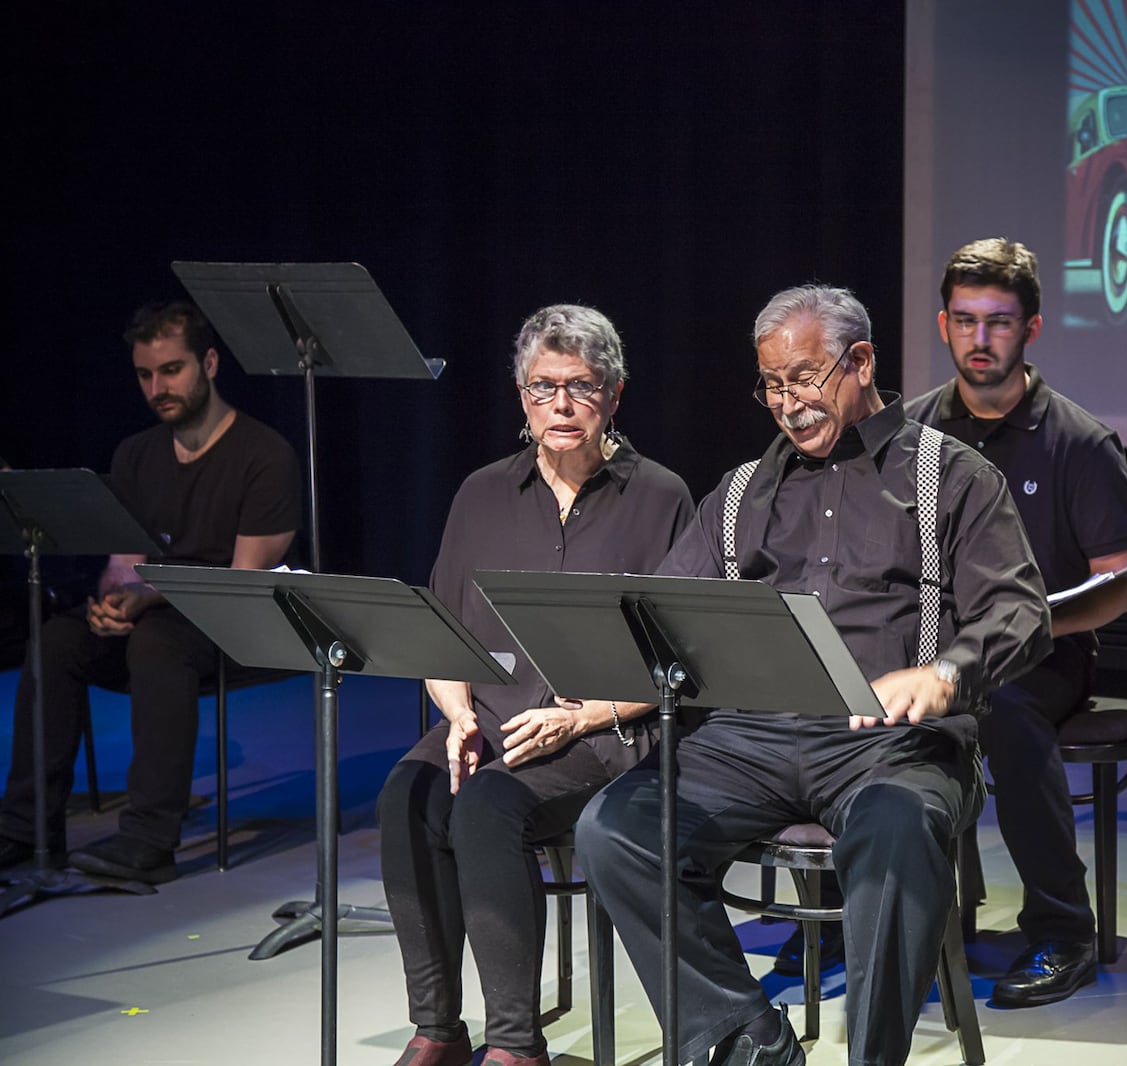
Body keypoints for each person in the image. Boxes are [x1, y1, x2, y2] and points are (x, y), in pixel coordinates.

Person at [576, 285, 1052, 1066]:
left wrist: (946, 672)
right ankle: (753, 1046)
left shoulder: (952, 476)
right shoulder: (736, 494)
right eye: (771, 384)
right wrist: (603, 671)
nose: (787, 403)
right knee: (616, 828)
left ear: (861, 361)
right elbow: (666, 616)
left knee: (898, 829)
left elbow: (1021, 612)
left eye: (804, 378)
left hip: (893, 743)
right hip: (748, 740)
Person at [377, 305, 694, 1066]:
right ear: (521, 397)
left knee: (486, 805)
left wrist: (580, 718)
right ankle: (439, 1030)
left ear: (614, 396)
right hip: (489, 714)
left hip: (606, 727)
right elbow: (441, 637)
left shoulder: (661, 496)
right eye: (543, 386)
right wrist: (454, 714)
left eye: (581, 386)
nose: (561, 404)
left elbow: (683, 664)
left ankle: (516, 1046)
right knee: (406, 798)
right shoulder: (482, 493)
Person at [904, 237, 1127, 1006]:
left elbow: (1121, 588)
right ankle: (891, 913)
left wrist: (1028, 632)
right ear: (943, 325)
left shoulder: (1078, 441)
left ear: (1030, 330)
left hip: (1042, 658)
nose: (980, 339)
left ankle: (1062, 932)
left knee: (1004, 712)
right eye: (965, 321)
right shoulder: (912, 434)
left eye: (998, 322)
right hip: (931, 652)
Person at [0, 300, 301, 882]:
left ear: (209, 363)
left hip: (233, 623)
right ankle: (26, 826)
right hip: (158, 612)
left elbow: (241, 589)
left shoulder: (264, 455)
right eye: (145, 374)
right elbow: (126, 562)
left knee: (158, 642)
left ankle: (149, 838)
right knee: (59, 640)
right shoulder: (137, 454)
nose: (158, 387)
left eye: (172, 370)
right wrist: (113, 604)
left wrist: (148, 600)